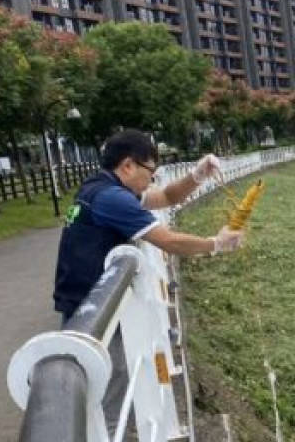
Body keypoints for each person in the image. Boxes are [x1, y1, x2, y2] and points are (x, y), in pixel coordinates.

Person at [53, 129, 243, 323]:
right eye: (150, 172)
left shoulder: (100, 186)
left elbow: (166, 197)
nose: (151, 180)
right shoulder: (112, 198)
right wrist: (217, 243)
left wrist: (198, 175)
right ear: (128, 166)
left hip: (86, 299)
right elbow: (169, 242)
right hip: (93, 310)